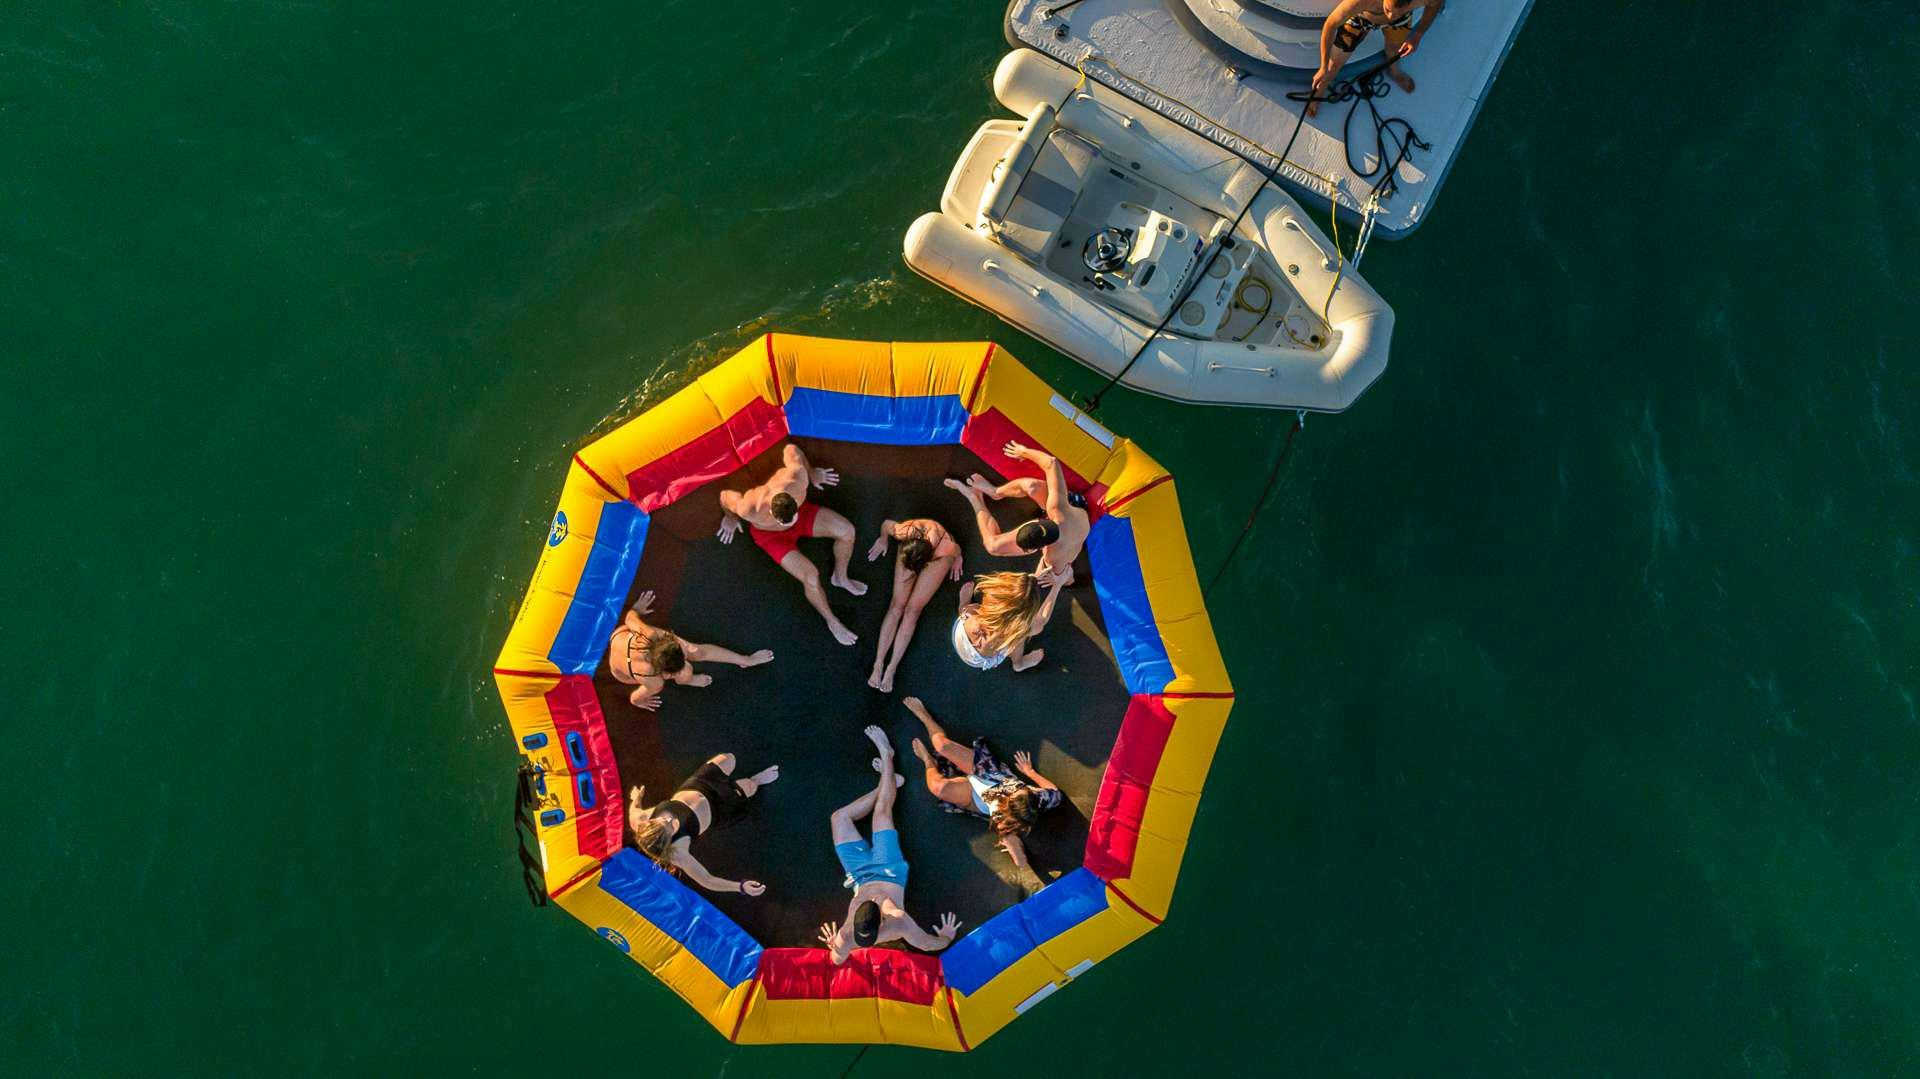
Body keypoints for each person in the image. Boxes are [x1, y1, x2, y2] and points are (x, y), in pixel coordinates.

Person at [817, 726, 962, 964]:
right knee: (881, 812)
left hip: (860, 875)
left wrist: (834, 943)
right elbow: (927, 944)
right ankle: (887, 756)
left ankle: (888, 782)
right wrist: (945, 938)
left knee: (838, 818)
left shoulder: (845, 936)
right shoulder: (898, 922)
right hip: (889, 871)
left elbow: (836, 959)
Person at [717, 443, 867, 646]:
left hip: (804, 515)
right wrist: (730, 518)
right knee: (811, 577)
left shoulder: (796, 477)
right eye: (786, 521)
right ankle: (832, 622)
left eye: (792, 516)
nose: (790, 522)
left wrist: (813, 473)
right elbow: (725, 496)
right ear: (771, 514)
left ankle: (840, 577)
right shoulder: (749, 507)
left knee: (847, 531)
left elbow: (791, 449)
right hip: (771, 537)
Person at [903, 696, 1063, 879]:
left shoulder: (1004, 824)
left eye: (1010, 795)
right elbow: (1055, 791)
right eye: (1019, 790)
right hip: (989, 774)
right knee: (941, 745)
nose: (1012, 791)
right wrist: (1030, 772)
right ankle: (925, 717)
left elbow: (1021, 862)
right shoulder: (1042, 798)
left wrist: (1012, 846)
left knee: (939, 788)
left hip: (975, 797)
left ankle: (928, 762)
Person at [625, 753, 779, 896]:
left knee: (729, 758)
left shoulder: (639, 821)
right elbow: (707, 880)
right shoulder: (678, 853)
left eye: (663, 820)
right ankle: (757, 780)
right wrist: (740, 887)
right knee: (748, 786)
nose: (670, 820)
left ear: (649, 823)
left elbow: (634, 810)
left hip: (699, 785)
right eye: (670, 827)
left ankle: (736, 782)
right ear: (668, 843)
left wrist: (636, 798)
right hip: (718, 807)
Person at [943, 441, 1088, 586]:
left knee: (993, 546)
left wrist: (1057, 581)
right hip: (1074, 507)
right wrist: (1023, 451)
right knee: (1032, 487)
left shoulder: (1054, 557)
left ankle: (974, 498)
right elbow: (1051, 463)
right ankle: (996, 492)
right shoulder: (1058, 508)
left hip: (1068, 532)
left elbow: (1069, 579)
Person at [606, 589, 774, 711]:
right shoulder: (653, 681)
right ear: (666, 674)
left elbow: (629, 618)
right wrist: (638, 702)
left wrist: (636, 609)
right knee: (686, 672)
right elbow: (634, 697)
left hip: (620, 638)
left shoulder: (650, 634)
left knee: (696, 652)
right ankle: (687, 679)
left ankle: (744, 660)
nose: (686, 654)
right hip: (626, 672)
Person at [865, 517, 964, 693]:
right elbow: (886, 524)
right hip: (919, 549)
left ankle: (892, 667)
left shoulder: (945, 547)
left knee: (912, 611)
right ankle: (878, 663)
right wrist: (883, 538)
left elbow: (957, 550)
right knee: (896, 606)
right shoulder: (908, 530)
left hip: (938, 558)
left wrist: (958, 559)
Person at [1307, 0, 1446, 117]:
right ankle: (1318, 93)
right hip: (1361, 18)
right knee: (1334, 65)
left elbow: (1435, 4)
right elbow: (1330, 25)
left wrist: (1417, 36)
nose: (1391, 16)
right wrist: (1323, 66)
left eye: (1398, 11)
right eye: (1388, 9)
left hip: (1401, 21)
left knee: (1394, 49)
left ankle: (1395, 72)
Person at [951, 571, 1065, 673]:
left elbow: (1010, 596)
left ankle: (963, 605)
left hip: (960, 635)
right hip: (977, 658)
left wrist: (1030, 581)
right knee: (1017, 640)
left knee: (967, 611)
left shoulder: (980, 608)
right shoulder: (1009, 632)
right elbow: (1042, 619)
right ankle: (1019, 664)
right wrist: (1057, 585)